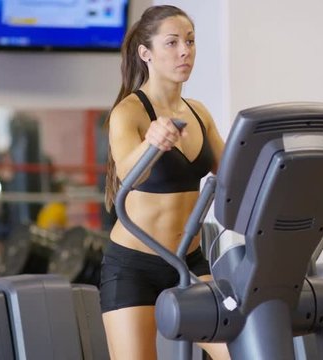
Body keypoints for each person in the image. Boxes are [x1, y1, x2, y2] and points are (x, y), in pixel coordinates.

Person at [100, 5, 229, 360]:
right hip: (132, 266)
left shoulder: (199, 112)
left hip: (188, 260)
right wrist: (151, 144)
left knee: (241, 350)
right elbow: (131, 175)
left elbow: (231, 174)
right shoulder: (130, 112)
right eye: (171, 43)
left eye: (189, 41)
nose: (184, 50)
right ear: (146, 53)